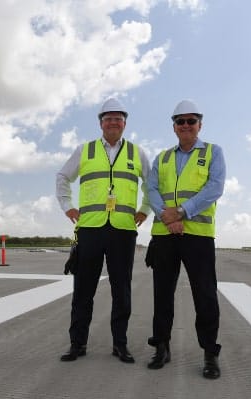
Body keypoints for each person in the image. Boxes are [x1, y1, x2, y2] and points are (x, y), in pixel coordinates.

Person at [56, 96, 151, 364]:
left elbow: (151, 183)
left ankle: (120, 345)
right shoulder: (84, 151)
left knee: (122, 291)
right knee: (83, 290)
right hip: (90, 229)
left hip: (122, 230)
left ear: (125, 123)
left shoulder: (136, 152)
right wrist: (68, 206)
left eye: (118, 118)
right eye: (108, 118)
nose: (113, 122)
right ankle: (77, 344)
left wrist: (145, 208)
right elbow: (62, 177)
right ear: (100, 123)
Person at [145, 100, 225, 379]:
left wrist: (181, 212)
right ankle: (162, 347)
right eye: (181, 121)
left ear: (200, 125)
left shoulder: (214, 152)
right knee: (162, 294)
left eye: (192, 121)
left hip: (198, 236)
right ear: (174, 127)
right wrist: (168, 218)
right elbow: (151, 190)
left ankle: (210, 354)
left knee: (205, 295)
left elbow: (214, 188)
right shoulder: (162, 158)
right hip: (164, 236)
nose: (186, 125)